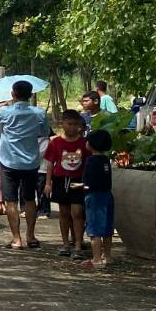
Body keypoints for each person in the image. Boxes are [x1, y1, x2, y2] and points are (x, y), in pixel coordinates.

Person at [0, 81, 52, 250]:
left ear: (13, 94)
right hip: (30, 162)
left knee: (11, 201)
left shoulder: (5, 111)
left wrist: (1, 105)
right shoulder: (39, 113)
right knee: (30, 199)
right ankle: (31, 236)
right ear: (31, 95)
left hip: (9, 162)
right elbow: (44, 132)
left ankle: (16, 239)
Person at [44, 110, 89, 257]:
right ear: (62, 124)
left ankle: (78, 244)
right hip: (60, 180)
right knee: (64, 213)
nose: (73, 127)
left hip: (78, 181)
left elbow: (88, 163)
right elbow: (50, 164)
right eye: (69, 124)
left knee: (77, 212)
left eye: (76, 124)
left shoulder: (84, 143)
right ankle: (65, 244)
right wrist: (48, 183)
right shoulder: (55, 142)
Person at [79, 129, 115, 271]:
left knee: (94, 228)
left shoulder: (91, 160)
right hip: (107, 195)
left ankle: (96, 258)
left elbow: (89, 182)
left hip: (94, 196)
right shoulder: (106, 160)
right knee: (107, 228)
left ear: (91, 144)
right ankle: (108, 256)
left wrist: (79, 185)